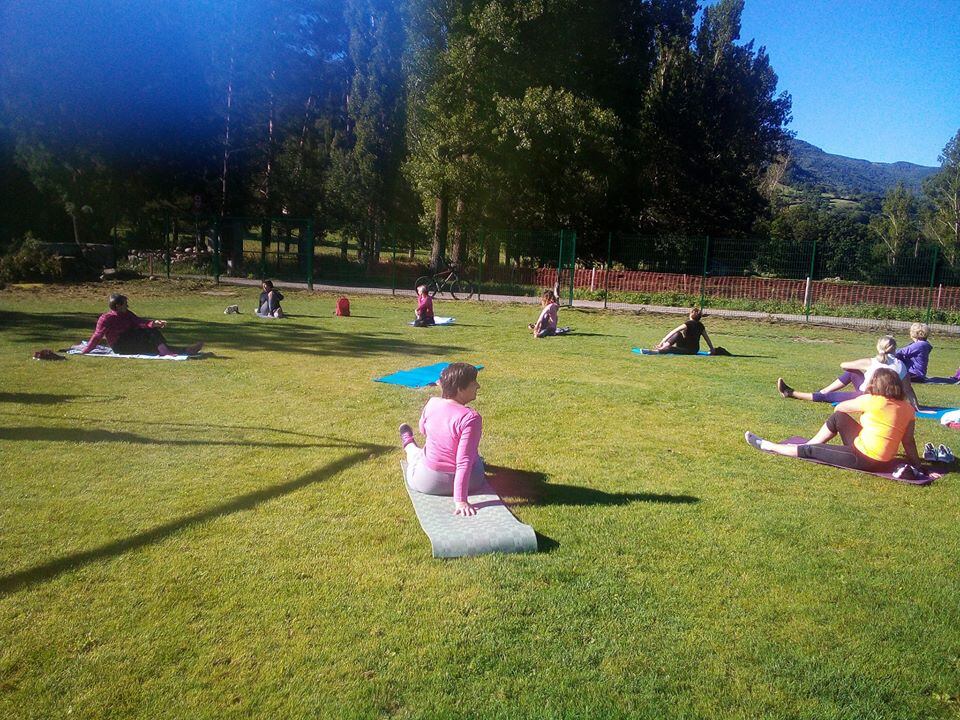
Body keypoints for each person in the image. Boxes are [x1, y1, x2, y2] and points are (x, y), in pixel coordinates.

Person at [746, 367, 921, 473]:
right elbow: (908, 441)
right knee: (839, 419)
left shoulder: (872, 400)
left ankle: (769, 446)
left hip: (865, 459)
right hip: (882, 459)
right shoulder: (908, 408)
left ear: (876, 385)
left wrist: (866, 404)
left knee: (812, 452)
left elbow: (839, 407)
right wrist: (918, 466)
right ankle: (809, 443)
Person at [399, 362, 484, 516]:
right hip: (472, 483)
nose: (478, 386)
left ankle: (408, 443)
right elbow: (464, 461)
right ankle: (409, 443)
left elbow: (422, 430)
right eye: (474, 383)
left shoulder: (432, 403)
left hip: (428, 482)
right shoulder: (471, 418)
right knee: (474, 456)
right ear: (460, 389)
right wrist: (460, 500)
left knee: (417, 455)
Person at [777, 335, 917, 407]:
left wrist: (862, 368)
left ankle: (790, 393)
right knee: (852, 372)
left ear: (878, 347)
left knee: (830, 395)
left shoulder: (870, 361)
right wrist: (916, 406)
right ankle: (823, 391)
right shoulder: (901, 365)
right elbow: (908, 389)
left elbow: (843, 365)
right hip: (889, 398)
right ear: (895, 349)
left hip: (868, 397)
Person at [82, 293, 203, 356]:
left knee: (154, 340)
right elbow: (97, 336)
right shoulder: (106, 318)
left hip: (131, 341)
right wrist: (86, 350)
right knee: (150, 335)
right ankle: (174, 351)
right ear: (118, 306)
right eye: (125, 304)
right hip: (120, 346)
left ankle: (186, 350)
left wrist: (154, 323)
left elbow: (140, 322)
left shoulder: (127, 314)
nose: (127, 306)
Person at [650, 307, 715, 354]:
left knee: (670, 348)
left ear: (691, 314)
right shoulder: (701, 326)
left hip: (688, 350)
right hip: (694, 350)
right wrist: (712, 349)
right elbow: (707, 339)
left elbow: (673, 332)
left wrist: (661, 342)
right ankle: (663, 347)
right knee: (678, 334)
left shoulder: (688, 324)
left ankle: (660, 350)